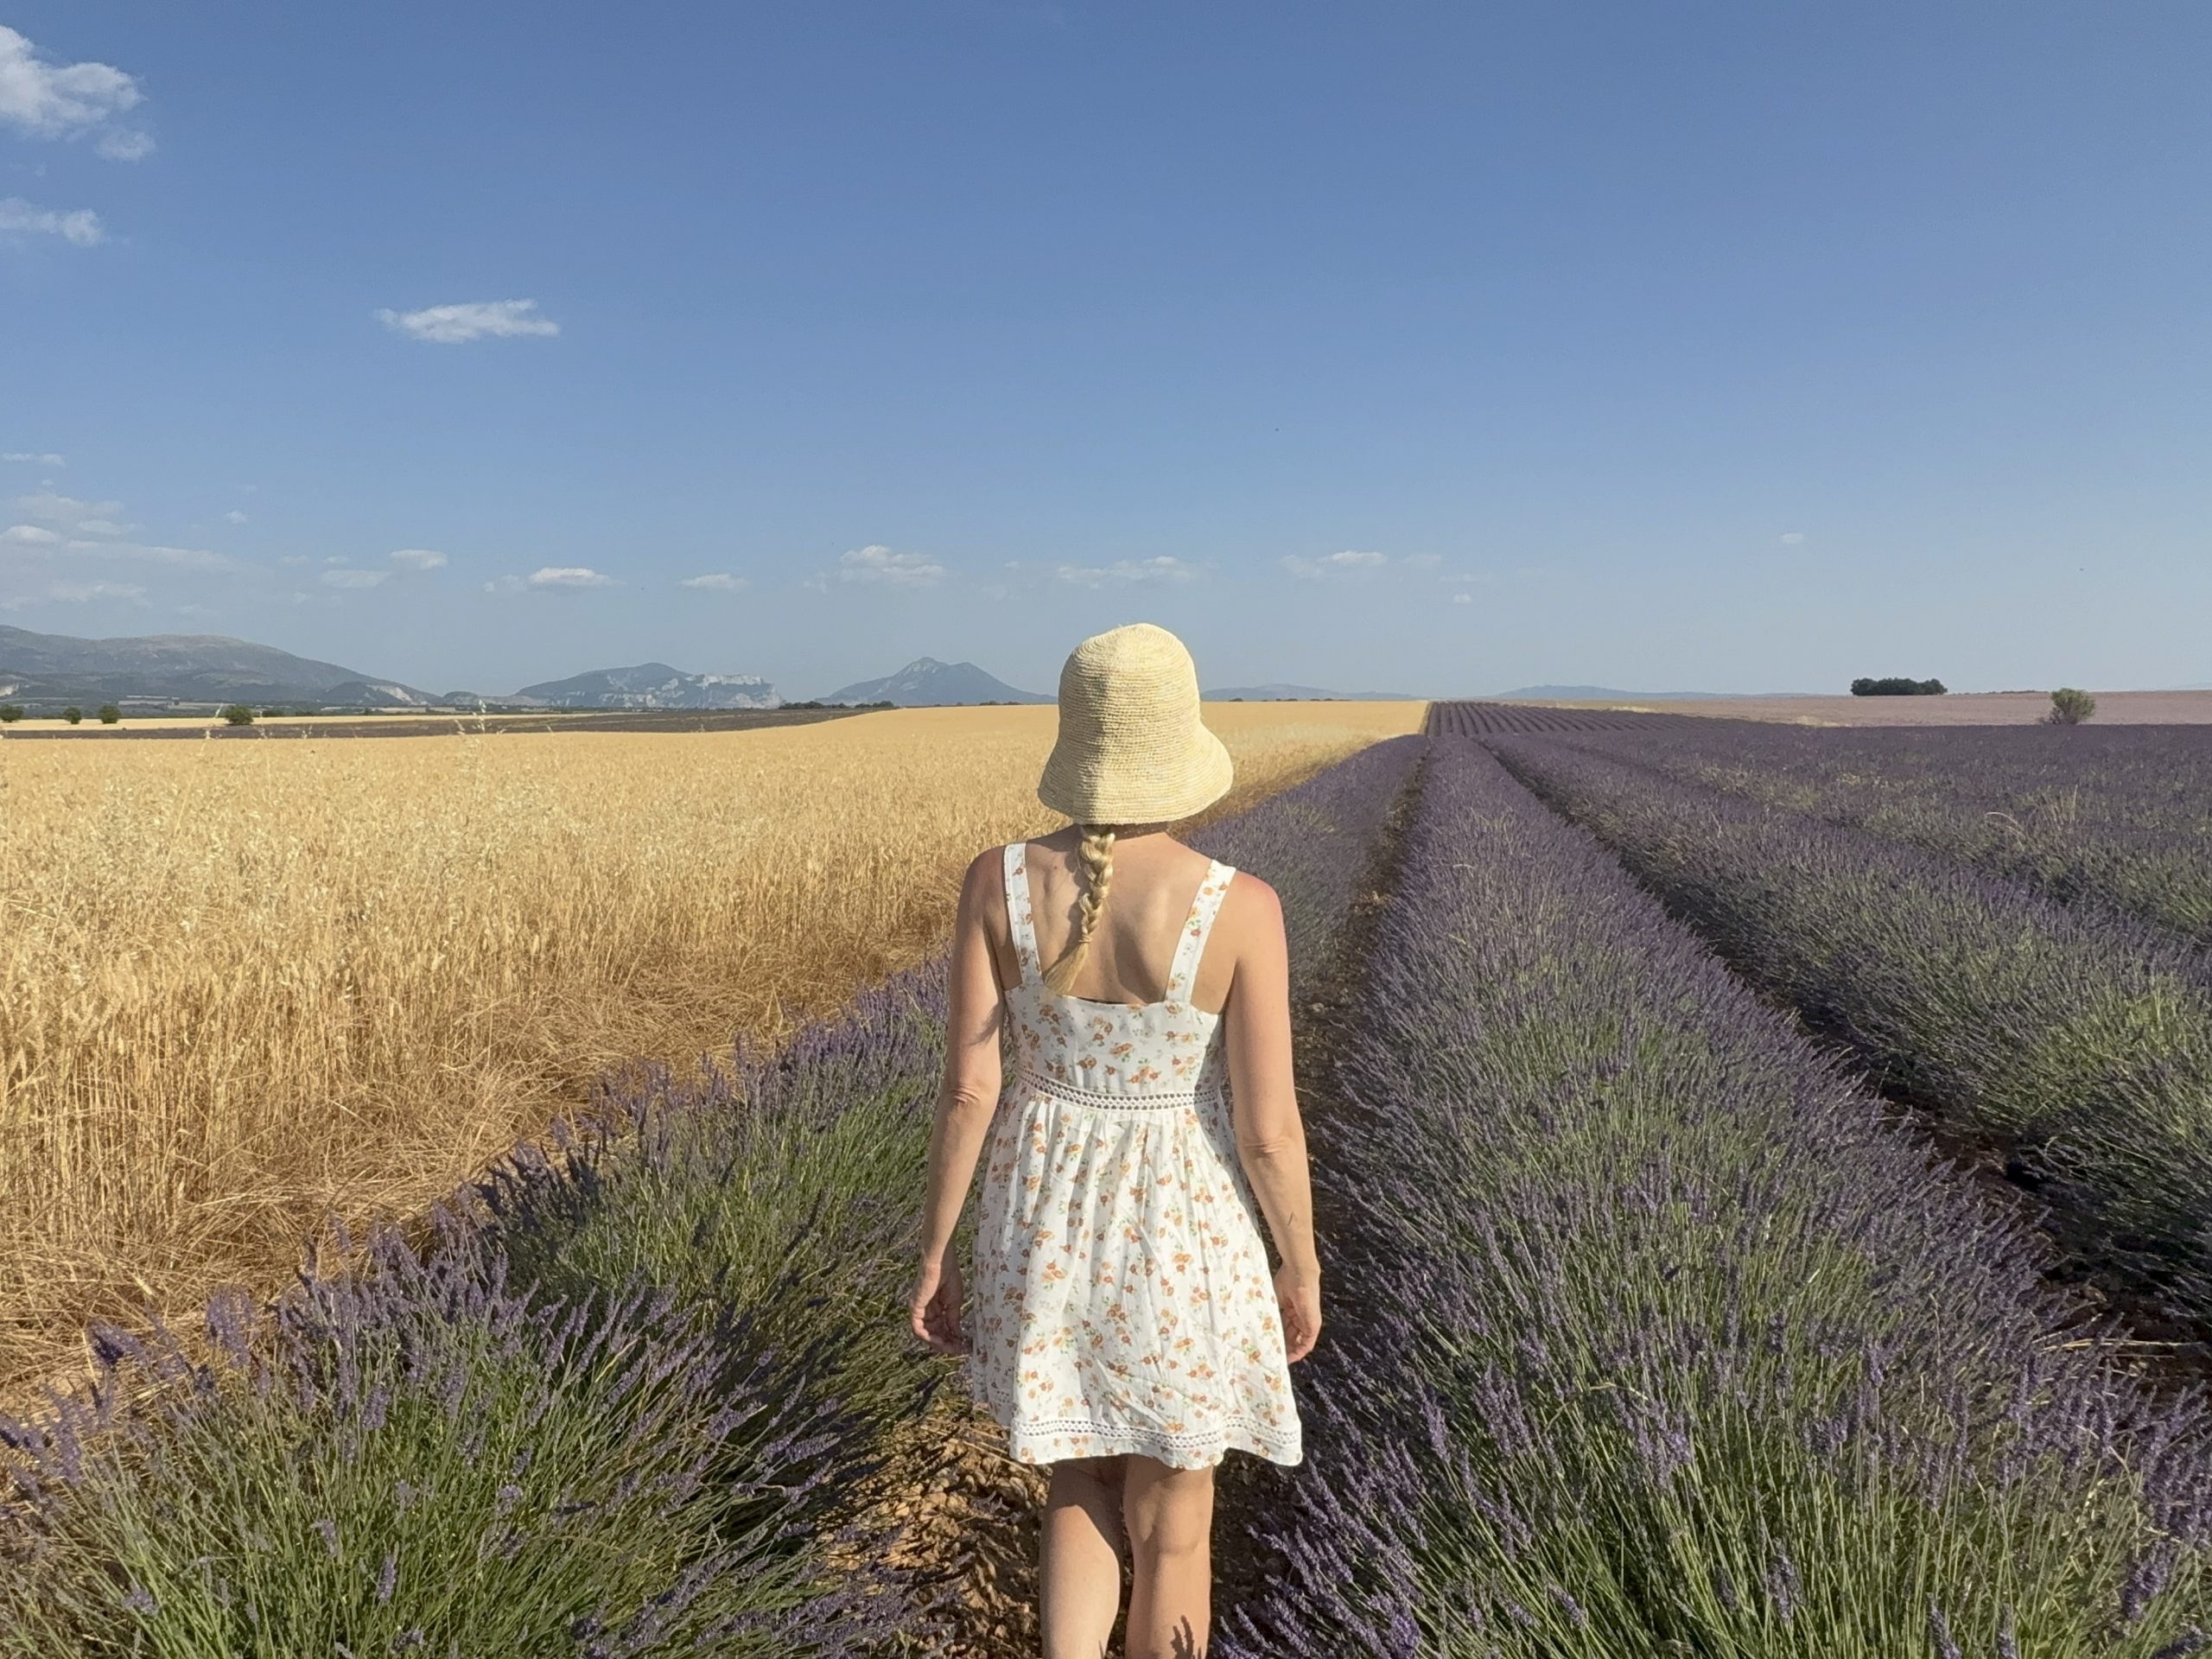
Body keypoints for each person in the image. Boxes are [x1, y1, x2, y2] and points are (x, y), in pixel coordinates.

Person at [910, 621, 1321, 1659]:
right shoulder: (1241, 906)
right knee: (1174, 1520)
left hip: (1040, 1219)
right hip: (1181, 1229)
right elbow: (1268, 1132)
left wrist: (935, 1252)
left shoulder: (994, 881)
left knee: (1078, 1477)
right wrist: (1300, 1263)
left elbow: (968, 1090)